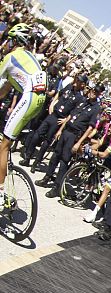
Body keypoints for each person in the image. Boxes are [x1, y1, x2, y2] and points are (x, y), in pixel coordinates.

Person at [0, 24, 46, 208]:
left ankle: (0, 193)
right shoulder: (28, 58)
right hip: (37, 101)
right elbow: (4, 91)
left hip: (30, 98)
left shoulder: (10, 58)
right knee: (6, 141)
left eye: (8, 39)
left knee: (4, 144)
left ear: (13, 40)